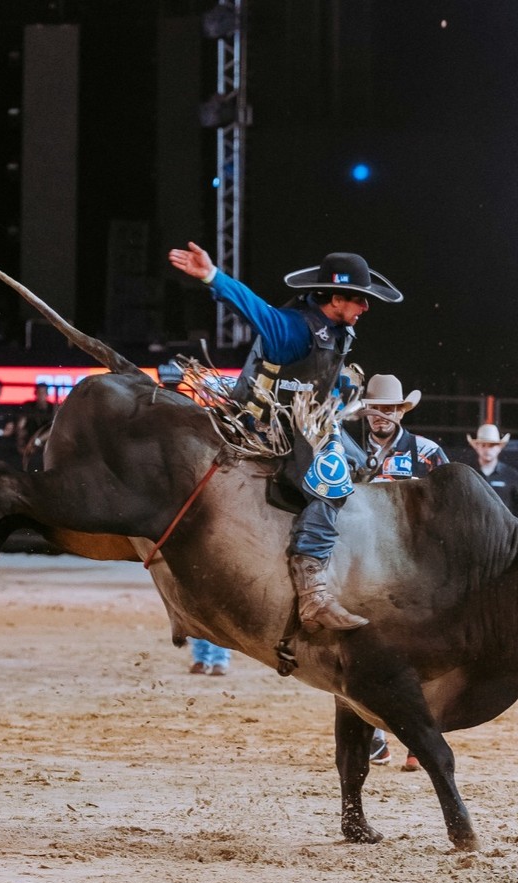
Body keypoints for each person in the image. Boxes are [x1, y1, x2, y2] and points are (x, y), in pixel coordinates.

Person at [168, 241, 403, 632]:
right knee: (332, 482)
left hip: (310, 422)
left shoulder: (336, 330)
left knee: (364, 464)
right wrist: (212, 276)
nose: (366, 307)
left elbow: (319, 378)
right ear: (336, 298)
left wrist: (342, 388)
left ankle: (337, 552)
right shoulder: (294, 329)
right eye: (360, 300)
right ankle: (311, 583)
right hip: (272, 423)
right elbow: (255, 310)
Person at [359, 373, 448, 771]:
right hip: (359, 563)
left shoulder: (426, 452)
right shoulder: (345, 449)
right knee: (360, 649)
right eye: (377, 409)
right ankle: (374, 734)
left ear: (401, 411)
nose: (384, 416)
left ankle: (418, 735)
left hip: (414, 564)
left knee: (422, 652)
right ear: (366, 411)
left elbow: (449, 504)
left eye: (391, 409)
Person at [466, 423, 518, 520]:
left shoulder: (511, 475)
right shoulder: (467, 472)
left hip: (504, 530)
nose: (487, 450)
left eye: (492, 445)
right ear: (477, 447)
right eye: (483, 445)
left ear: (499, 448)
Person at [16, 382, 56, 455]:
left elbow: (53, 428)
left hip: (45, 440)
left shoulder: (52, 408)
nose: (41, 395)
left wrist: (38, 440)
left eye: (43, 393)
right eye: (39, 393)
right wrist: (20, 438)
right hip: (30, 437)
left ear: (47, 394)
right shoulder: (28, 406)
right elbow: (21, 424)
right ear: (35, 393)